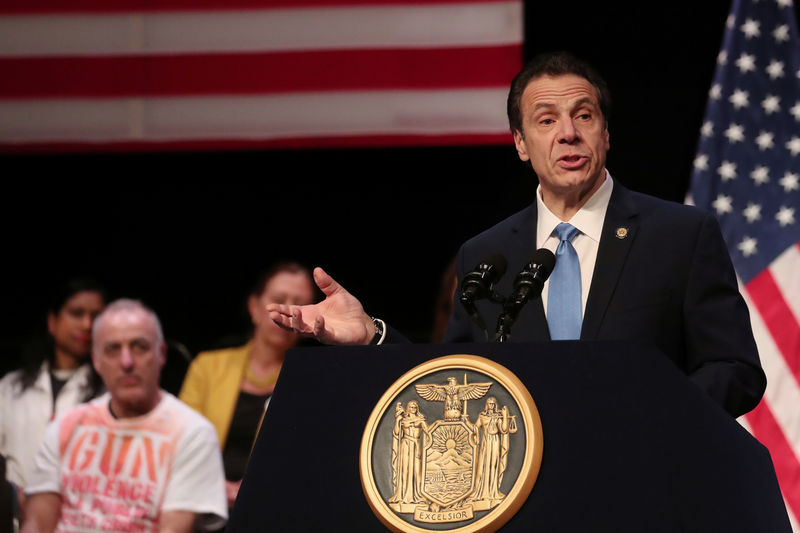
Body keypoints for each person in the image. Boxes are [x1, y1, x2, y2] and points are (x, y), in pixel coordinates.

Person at [265, 51, 765, 419]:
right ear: (522, 144)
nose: (568, 132)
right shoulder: (488, 254)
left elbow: (736, 368)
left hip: (652, 485)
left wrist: (659, 416)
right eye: (547, 120)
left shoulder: (680, 235)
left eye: (583, 115)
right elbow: (454, 376)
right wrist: (373, 336)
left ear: (605, 135)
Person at [21, 299, 227, 533]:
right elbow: (37, 524)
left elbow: (174, 529)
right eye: (113, 349)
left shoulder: (192, 433)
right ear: (97, 361)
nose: (126, 362)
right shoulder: (68, 426)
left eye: (139, 347)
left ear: (161, 354)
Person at [178, 263, 315, 508]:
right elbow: (179, 438)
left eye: (299, 305)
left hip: (269, 505)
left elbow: (305, 460)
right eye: (279, 299)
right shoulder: (208, 366)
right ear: (254, 307)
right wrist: (215, 486)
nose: (289, 312)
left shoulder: (312, 381)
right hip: (198, 498)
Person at [0, 279, 106, 495]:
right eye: (77, 313)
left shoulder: (109, 392)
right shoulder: (11, 387)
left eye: (96, 317)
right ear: (52, 322)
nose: (87, 324)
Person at [469, 397, 516, 506]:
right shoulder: (482, 416)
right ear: (486, 405)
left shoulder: (497, 417)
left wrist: (505, 416)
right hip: (486, 443)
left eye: (493, 404)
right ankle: (482, 491)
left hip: (495, 442)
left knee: (493, 465)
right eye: (489, 404)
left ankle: (492, 491)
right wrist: (467, 422)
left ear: (495, 405)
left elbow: (504, 430)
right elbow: (475, 428)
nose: (491, 406)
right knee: (483, 466)